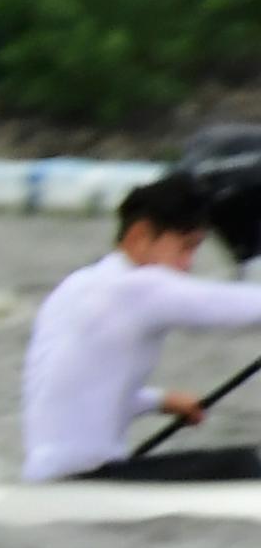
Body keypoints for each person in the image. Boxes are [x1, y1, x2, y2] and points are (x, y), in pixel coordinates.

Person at [21, 169, 261, 481]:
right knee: (242, 466)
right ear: (140, 236)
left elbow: (75, 391)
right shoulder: (138, 289)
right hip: (85, 479)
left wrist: (160, 401)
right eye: (185, 247)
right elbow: (240, 306)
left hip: (48, 476)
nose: (188, 264)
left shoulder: (76, 286)